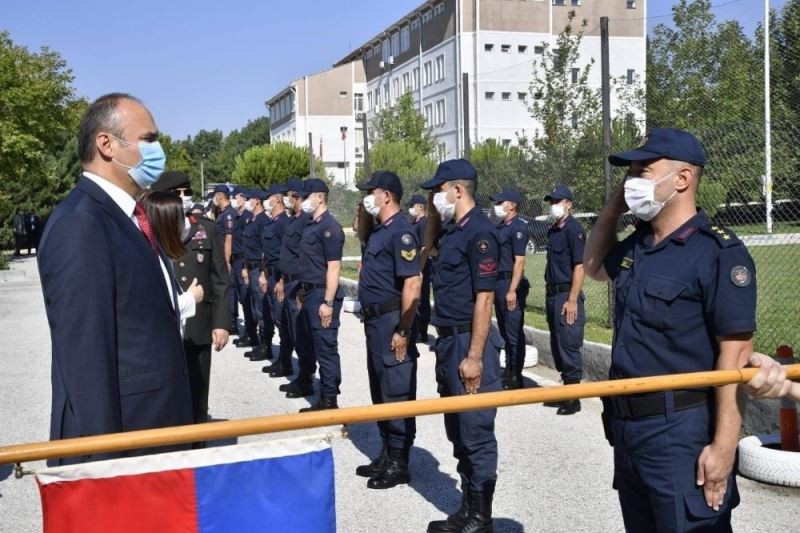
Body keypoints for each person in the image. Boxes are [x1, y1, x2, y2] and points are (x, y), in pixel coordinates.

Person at [583, 128, 757, 531]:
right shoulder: (638, 244)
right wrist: (613, 208)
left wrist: (724, 446)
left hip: (680, 432)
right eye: (629, 174)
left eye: (643, 170)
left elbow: (735, 359)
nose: (632, 181)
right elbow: (593, 268)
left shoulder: (717, 253)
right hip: (627, 430)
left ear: (682, 179)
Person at [37, 93, 193, 465]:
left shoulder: (129, 217)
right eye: (149, 139)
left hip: (154, 435)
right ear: (106, 144)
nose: (158, 150)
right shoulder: (81, 224)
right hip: (124, 451)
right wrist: (107, 469)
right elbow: (87, 362)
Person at [420, 159, 503, 533]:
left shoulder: (481, 233)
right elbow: (428, 248)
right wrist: (436, 214)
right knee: (458, 431)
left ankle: (481, 518)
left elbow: (484, 300)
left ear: (457, 190)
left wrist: (474, 357)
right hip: (448, 341)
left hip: (471, 342)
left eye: (439, 190)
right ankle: (468, 508)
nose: (434, 198)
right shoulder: (453, 230)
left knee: (476, 432)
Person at [355, 171, 421, 490]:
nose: (366, 196)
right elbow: (359, 233)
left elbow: (412, 283)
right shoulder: (380, 230)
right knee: (380, 387)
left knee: (396, 388)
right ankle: (386, 451)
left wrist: (403, 329)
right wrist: (363, 214)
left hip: (391, 320)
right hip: (374, 322)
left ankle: (400, 461)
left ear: (386, 195)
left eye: (371, 191)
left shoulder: (402, 233)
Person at [152, 171, 230, 429]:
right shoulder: (153, 231)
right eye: (177, 194)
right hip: (167, 329)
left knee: (198, 395)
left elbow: (220, 278)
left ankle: (198, 449)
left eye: (187, 192)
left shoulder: (205, 228)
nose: (184, 198)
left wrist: (221, 323)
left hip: (199, 325)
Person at [294, 178, 346, 412]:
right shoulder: (312, 225)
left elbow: (334, 268)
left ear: (320, 197)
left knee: (325, 349)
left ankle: (329, 399)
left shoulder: (329, 228)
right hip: (309, 292)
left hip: (322, 294)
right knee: (314, 346)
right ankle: (324, 393)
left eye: (306, 197)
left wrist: (327, 302)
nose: (302, 201)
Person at [543, 185, 586, 414]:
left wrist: (572, 300)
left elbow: (579, 267)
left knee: (568, 344)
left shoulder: (574, 230)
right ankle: (565, 391)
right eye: (552, 201)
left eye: (558, 201)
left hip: (566, 294)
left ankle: (573, 397)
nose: (554, 205)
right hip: (553, 294)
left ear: (569, 203)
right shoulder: (553, 231)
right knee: (557, 344)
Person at [139, 190, 205, 334]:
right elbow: (153, 310)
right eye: (180, 218)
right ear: (168, 223)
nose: (185, 224)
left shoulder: (161, 254)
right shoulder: (149, 259)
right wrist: (190, 298)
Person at [490, 189, 530, 391]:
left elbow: (520, 261)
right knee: (505, 330)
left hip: (509, 283)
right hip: (498, 283)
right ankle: (508, 369)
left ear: (512, 205)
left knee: (513, 331)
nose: (497, 205)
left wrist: (512, 290)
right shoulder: (500, 227)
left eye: (500, 202)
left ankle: (516, 374)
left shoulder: (518, 228)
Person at [275, 178, 313, 390]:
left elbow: (304, 257)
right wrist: (281, 280)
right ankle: (301, 375)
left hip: (298, 283)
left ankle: (306, 377)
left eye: (289, 195)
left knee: (301, 334)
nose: (286, 199)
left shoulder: (304, 221)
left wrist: (300, 288)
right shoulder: (293, 220)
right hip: (288, 281)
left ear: (297, 196)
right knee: (291, 328)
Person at [257, 184, 291, 374]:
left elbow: (285, 255)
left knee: (282, 320)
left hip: (280, 276)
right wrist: (264, 273)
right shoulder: (272, 222)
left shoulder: (283, 223)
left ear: (277, 199)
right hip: (270, 274)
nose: (266, 201)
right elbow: (267, 253)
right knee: (275, 317)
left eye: (268, 197)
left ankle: (286, 361)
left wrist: (282, 281)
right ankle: (281, 359)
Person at [241, 189, 271, 361]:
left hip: (259, 270)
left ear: (257, 201)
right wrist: (245, 267)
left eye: (249, 199)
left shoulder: (263, 221)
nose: (247, 202)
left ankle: (266, 346)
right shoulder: (252, 221)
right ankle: (260, 343)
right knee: (254, 307)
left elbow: (264, 250)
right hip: (250, 268)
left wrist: (262, 272)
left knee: (261, 309)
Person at [231, 186, 256, 347]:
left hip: (243, 261)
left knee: (247, 300)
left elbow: (249, 244)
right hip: (236, 260)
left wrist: (245, 266)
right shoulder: (238, 216)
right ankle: (248, 332)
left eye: (237, 197)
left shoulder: (248, 217)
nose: (234, 199)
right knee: (242, 299)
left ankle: (251, 334)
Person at [406, 194, 432, 343]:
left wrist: (420, 270)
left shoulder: (424, 224)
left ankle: (422, 331)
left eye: (413, 206)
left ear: (420, 207)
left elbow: (424, 248)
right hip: (413, 265)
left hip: (421, 266)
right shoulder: (414, 223)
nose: (410, 209)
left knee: (422, 299)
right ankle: (414, 329)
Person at [213, 184, 238, 333]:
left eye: (215, 196)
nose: (214, 199)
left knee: (230, 290)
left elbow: (229, 238)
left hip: (226, 258)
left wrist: (227, 261)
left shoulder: (229, 214)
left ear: (220, 196)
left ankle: (232, 321)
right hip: (222, 257)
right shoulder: (222, 213)